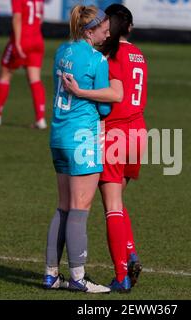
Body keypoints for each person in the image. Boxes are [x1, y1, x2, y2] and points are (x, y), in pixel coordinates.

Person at [62, 4, 148, 293]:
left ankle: (122, 274)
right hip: (139, 132)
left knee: (111, 205)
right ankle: (130, 250)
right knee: (118, 202)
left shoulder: (110, 54)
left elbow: (112, 95)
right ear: (131, 28)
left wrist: (80, 93)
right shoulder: (139, 55)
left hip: (116, 132)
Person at [43, 5, 116, 294]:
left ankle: (50, 274)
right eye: (104, 29)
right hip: (82, 137)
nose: (108, 32)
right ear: (89, 31)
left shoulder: (61, 50)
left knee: (63, 206)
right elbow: (106, 107)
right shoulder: (97, 60)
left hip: (58, 135)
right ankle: (77, 277)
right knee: (80, 208)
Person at [0, 0, 47, 129]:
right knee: (35, 79)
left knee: (4, 76)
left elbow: (17, 18)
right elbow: (41, 18)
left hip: (23, 39)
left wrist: (18, 43)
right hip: (37, 40)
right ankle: (40, 119)